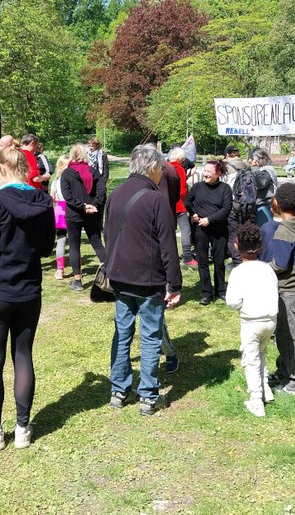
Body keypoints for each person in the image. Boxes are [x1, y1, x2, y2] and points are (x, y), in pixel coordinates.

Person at [0, 147, 55, 450]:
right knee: (23, 356)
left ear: (0, 169)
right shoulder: (44, 202)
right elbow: (47, 247)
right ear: (26, 170)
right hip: (28, 291)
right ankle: (22, 427)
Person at [106, 144, 182, 416]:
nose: (162, 172)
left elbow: (108, 235)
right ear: (151, 167)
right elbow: (168, 245)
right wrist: (175, 284)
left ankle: (118, 389)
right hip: (148, 280)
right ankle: (148, 396)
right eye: (161, 167)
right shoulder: (156, 199)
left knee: (122, 332)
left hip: (120, 276)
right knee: (149, 336)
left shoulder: (115, 193)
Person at [260, 183, 295, 395]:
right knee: (288, 334)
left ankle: (293, 382)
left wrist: (260, 269)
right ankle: (283, 371)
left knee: (288, 337)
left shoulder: (283, 231)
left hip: (286, 289)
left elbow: (279, 265)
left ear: (277, 204)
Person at [225, 223, 279, 417]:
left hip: (251, 322)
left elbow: (232, 302)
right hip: (270, 320)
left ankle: (256, 400)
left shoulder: (238, 272)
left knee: (251, 359)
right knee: (262, 353)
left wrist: (241, 304)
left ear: (237, 246)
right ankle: (265, 388)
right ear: (261, 246)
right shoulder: (267, 269)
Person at [184, 160, 233, 305]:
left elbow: (226, 209)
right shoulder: (197, 187)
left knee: (219, 261)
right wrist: (192, 214)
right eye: (204, 171)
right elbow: (187, 201)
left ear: (218, 173)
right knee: (203, 262)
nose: (205, 174)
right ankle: (206, 292)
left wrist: (209, 220)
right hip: (200, 230)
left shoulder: (225, 189)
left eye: (208, 172)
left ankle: (220, 290)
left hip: (219, 229)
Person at [60, 144, 106, 291]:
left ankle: (77, 281)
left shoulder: (66, 173)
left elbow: (67, 196)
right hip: (92, 213)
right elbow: (102, 191)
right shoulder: (93, 172)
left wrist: (83, 206)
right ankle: (111, 275)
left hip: (74, 214)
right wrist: (92, 205)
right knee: (97, 244)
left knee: (74, 246)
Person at [223, 145, 251, 268]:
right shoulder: (247, 166)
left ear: (227, 155)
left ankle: (237, 262)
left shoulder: (226, 167)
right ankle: (246, 257)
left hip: (232, 205)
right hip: (247, 204)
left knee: (232, 235)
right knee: (243, 232)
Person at [167, 147, 195, 267]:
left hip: (165, 204)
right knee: (185, 229)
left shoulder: (164, 167)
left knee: (168, 230)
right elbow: (183, 189)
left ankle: (170, 255)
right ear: (179, 158)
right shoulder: (179, 169)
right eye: (183, 159)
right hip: (178, 204)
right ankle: (188, 257)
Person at [49, 155, 69, 280]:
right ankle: (78, 264)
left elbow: (52, 197)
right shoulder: (73, 180)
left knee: (61, 240)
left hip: (59, 210)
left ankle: (60, 269)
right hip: (70, 209)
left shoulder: (56, 181)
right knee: (73, 240)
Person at [250, 148, 278, 225]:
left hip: (264, 205)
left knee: (265, 230)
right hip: (259, 204)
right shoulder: (261, 170)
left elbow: (260, 183)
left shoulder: (267, 171)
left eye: (253, 159)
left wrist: (254, 169)